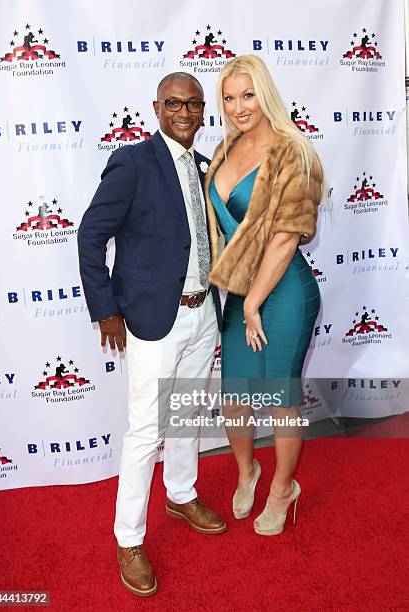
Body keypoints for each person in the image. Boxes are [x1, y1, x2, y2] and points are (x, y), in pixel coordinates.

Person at [78, 72, 226, 598]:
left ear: (203, 109)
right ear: (156, 108)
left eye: (194, 104)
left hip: (202, 311)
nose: (184, 112)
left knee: (185, 412)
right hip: (150, 319)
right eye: (174, 104)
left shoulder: (207, 167)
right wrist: (106, 311)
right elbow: (91, 234)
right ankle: (129, 539)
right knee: (146, 430)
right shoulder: (133, 162)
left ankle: (181, 493)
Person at [204, 55, 325, 535]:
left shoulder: (294, 150)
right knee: (234, 397)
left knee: (279, 396)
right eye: (230, 98)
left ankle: (283, 489)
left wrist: (254, 303)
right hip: (240, 293)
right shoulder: (223, 148)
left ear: (265, 94)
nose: (239, 107)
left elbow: (285, 237)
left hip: (285, 292)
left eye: (248, 95)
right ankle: (247, 472)